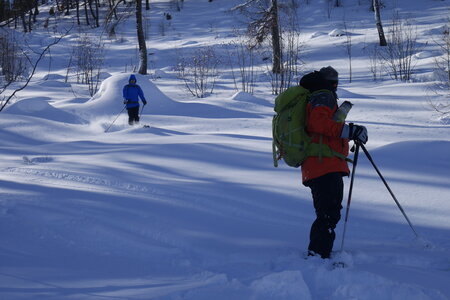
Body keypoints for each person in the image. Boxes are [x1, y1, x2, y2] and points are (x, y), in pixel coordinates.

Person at [300, 66, 368, 259]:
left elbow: (327, 125)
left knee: (328, 212)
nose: (336, 86)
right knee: (328, 213)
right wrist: (350, 131)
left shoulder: (319, 96)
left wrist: (349, 129)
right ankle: (318, 255)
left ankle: (319, 253)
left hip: (322, 164)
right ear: (329, 83)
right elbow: (318, 123)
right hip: (324, 164)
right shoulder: (323, 96)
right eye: (334, 82)